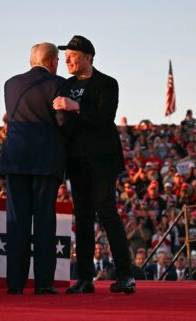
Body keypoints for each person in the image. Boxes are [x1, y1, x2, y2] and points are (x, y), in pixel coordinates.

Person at [54, 35, 135, 294]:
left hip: (101, 160)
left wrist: (76, 106)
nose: (68, 59)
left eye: (73, 55)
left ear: (88, 57)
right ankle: (85, 278)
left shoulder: (107, 83)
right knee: (84, 217)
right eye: (66, 56)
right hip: (76, 160)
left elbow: (104, 117)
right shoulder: (65, 84)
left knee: (107, 212)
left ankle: (125, 275)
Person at [0, 42, 72, 295]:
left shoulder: (10, 84)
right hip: (44, 162)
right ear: (52, 61)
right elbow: (63, 121)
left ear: (32, 61)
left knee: (16, 223)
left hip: (15, 160)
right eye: (58, 60)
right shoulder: (58, 84)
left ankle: (15, 284)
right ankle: (43, 284)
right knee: (43, 223)